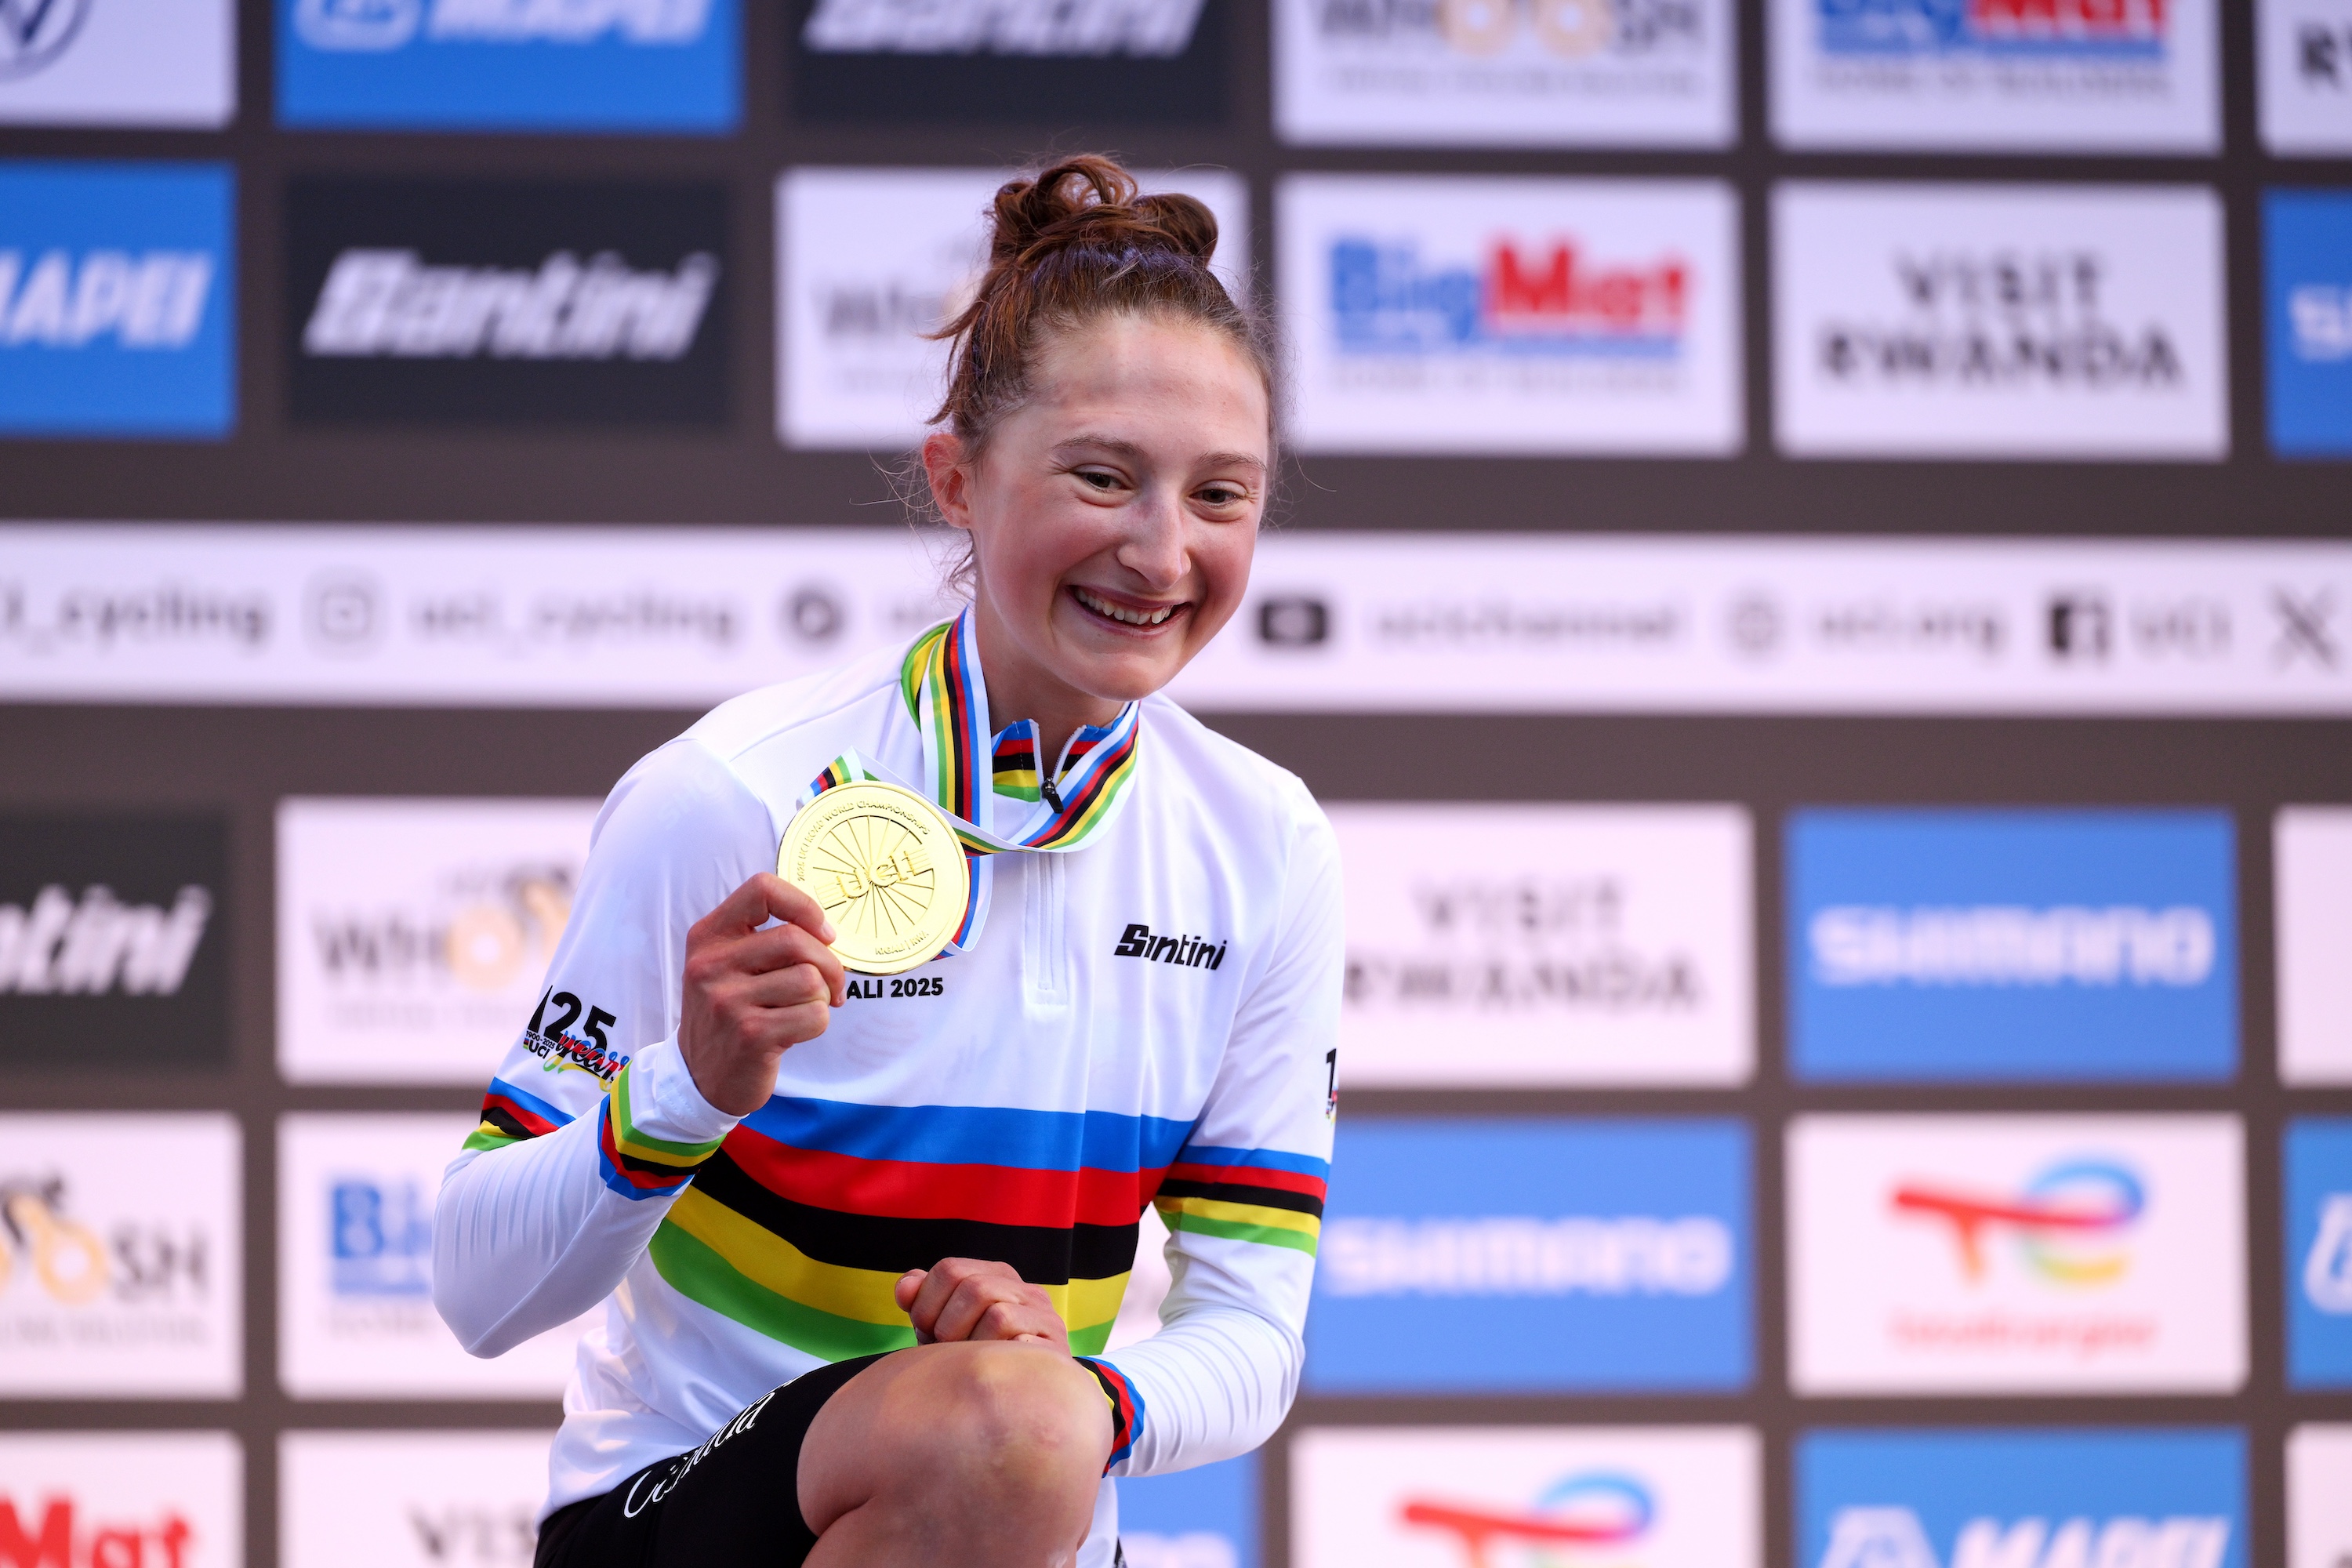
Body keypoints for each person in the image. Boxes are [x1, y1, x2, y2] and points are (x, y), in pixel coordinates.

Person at [432, 154, 1342, 1568]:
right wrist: (682, 1091)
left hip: (1017, 1520)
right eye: (1103, 476)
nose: (1162, 553)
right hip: (675, 1516)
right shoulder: (729, 797)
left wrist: (1083, 1393)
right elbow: (476, 1285)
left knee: (1020, 1431)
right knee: (1008, 1434)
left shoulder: (1265, 847)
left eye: (1222, 496)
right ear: (956, 478)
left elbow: (1251, 1335)